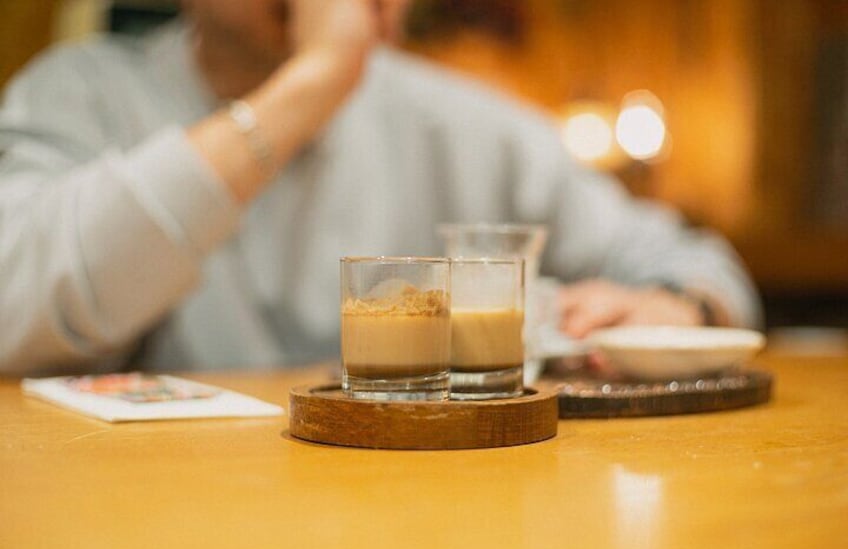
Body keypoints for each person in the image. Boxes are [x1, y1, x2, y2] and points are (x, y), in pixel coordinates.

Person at [0, 0, 761, 375]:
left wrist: (678, 305)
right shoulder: (82, 95)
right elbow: (13, 307)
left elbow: (699, 266)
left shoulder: (465, 124)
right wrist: (318, 79)